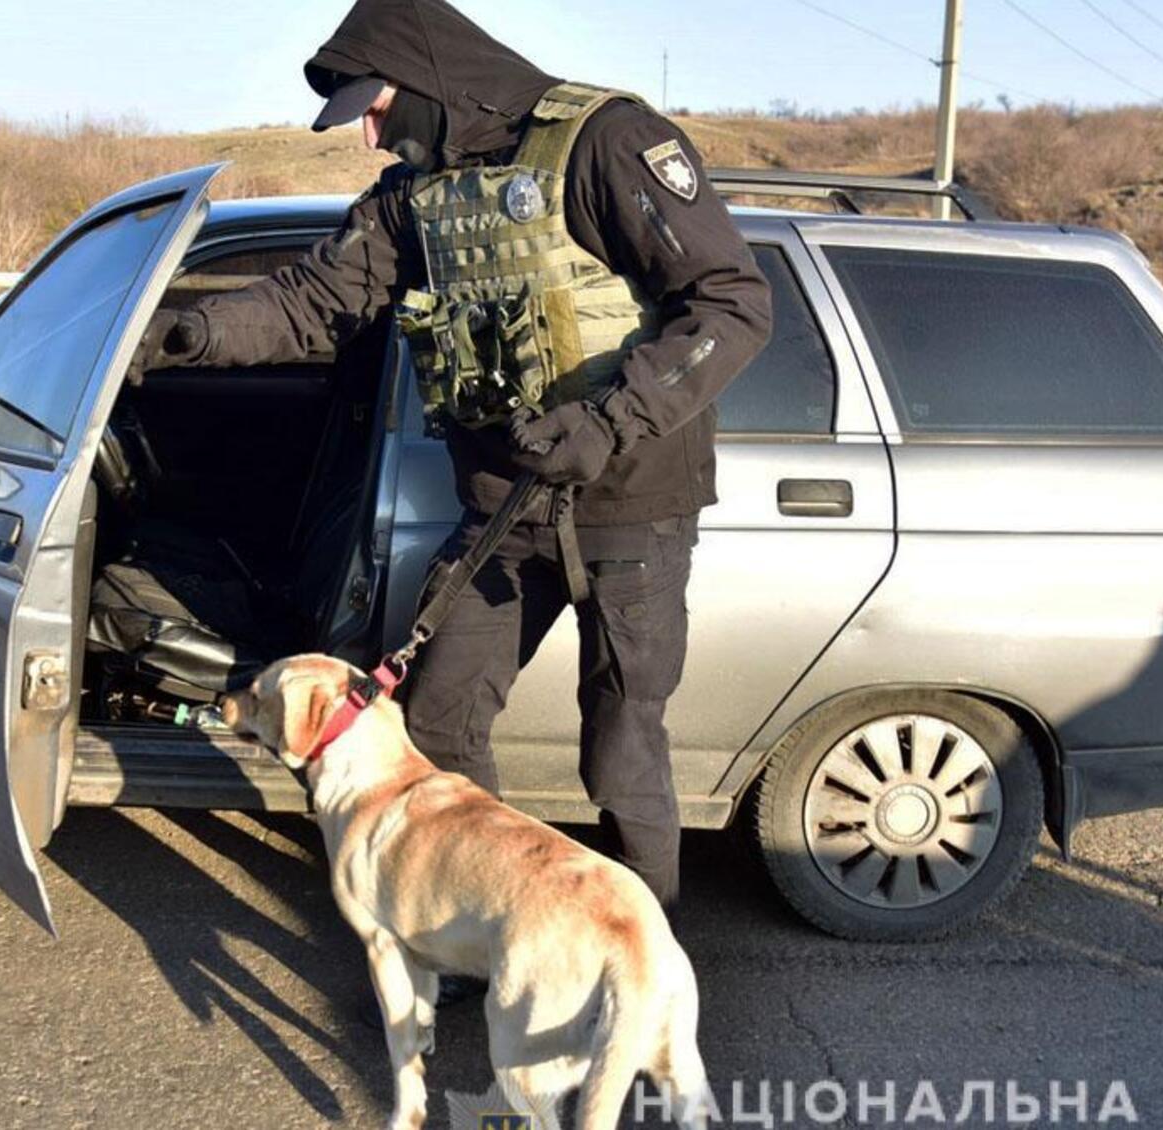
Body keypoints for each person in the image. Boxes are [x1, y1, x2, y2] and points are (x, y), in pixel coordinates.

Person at [136, 0, 770, 915]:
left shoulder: (610, 143)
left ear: (429, 79)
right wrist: (188, 333)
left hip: (632, 502)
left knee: (621, 753)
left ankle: (639, 956)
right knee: (436, 722)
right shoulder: (414, 198)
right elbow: (315, 301)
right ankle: (489, 929)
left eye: (376, 109)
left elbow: (731, 304)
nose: (367, 134)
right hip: (504, 511)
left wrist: (608, 419)